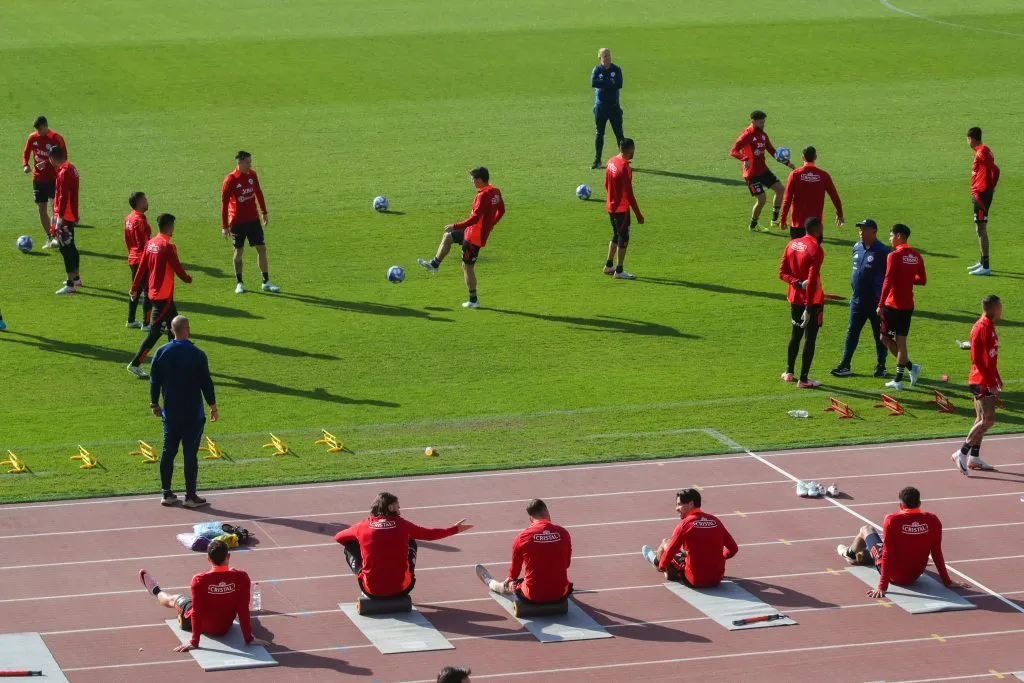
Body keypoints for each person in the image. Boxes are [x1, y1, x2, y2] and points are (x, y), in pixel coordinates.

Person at [334, 492, 474, 598]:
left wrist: (364, 543)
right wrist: (454, 529)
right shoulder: (403, 525)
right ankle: (406, 573)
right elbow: (429, 534)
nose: (400, 510)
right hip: (402, 589)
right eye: (397, 506)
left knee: (350, 545)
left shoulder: (362, 526)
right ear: (390, 507)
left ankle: (361, 574)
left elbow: (339, 537)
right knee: (411, 540)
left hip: (371, 591)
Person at [139, 540, 268, 652]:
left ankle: (155, 590)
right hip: (225, 626)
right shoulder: (242, 577)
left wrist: (194, 642)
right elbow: (243, 609)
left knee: (173, 599)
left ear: (208, 559)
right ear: (228, 557)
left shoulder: (199, 580)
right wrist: (249, 639)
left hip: (204, 625)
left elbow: (196, 611)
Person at [836, 486, 956, 598]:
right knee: (891, 543)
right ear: (919, 503)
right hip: (914, 575)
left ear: (901, 505)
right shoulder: (933, 520)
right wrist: (947, 581)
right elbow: (936, 553)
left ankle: (850, 554)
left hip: (893, 576)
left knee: (866, 529)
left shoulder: (892, 520)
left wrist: (882, 586)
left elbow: (887, 554)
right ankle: (866, 555)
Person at [148, 316, 216, 508]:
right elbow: (206, 383)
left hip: (170, 414)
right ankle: (190, 496)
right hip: (193, 414)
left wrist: (154, 404)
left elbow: (154, 381)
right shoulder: (197, 354)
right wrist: (213, 406)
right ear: (188, 329)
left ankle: (166, 493)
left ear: (171, 329)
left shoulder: (161, 352)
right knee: (190, 455)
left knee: (168, 452)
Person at [417, 167, 505, 308]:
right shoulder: (495, 191)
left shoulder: (482, 196)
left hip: (474, 236)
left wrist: (456, 225)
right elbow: (501, 210)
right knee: (448, 237)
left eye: (473, 179)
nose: (471, 181)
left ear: (480, 179)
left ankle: (473, 300)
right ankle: (434, 265)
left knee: (467, 267)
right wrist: (490, 224)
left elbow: (475, 218)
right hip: (472, 231)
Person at [128, 214, 193, 379]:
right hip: (163, 297)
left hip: (155, 294)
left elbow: (142, 267)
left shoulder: (150, 244)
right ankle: (135, 364)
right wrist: (187, 279)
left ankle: (176, 362)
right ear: (170, 226)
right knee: (155, 333)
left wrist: (135, 287)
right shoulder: (168, 247)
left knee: (174, 328)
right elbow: (177, 268)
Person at [476, 499, 572, 604]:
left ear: (531, 518)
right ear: (547, 511)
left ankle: (494, 584)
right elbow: (567, 564)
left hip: (533, 595)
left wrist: (511, 579)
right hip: (561, 593)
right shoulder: (564, 533)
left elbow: (514, 572)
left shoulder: (522, 537)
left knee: (512, 583)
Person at [641, 488, 738, 587]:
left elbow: (671, 551)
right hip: (717, 579)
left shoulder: (685, 525)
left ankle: (655, 562)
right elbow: (734, 549)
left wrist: (661, 567)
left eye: (679, 504)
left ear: (691, 504)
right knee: (689, 551)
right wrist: (721, 557)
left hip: (694, 580)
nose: (677, 508)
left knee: (666, 543)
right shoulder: (716, 521)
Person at [831, 219, 890, 378]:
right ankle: (845, 365)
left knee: (879, 335)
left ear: (874, 231)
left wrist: (884, 301)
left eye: (864, 229)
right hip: (857, 301)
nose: (861, 232)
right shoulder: (856, 247)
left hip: (876, 302)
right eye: (860, 230)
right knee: (852, 333)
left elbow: (889, 277)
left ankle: (881, 366)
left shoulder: (883, 251)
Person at [952, 295, 1002, 474]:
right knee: (988, 419)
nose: (1002, 309)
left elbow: (990, 357)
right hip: (980, 381)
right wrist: (990, 383)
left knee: (981, 419)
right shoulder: (981, 328)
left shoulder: (989, 326)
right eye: (1000, 306)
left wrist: (997, 378)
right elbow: (977, 360)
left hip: (985, 379)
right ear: (994, 307)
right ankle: (962, 452)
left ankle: (974, 456)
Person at [221, 151, 279, 294]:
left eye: (250, 161)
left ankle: (266, 281)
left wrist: (264, 212)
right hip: (237, 222)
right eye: (247, 162)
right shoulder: (230, 179)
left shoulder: (252, 175)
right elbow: (224, 204)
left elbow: (258, 192)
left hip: (253, 219)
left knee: (262, 248)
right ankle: (239, 282)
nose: (250, 164)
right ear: (239, 162)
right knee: (239, 251)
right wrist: (225, 226)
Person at [877, 223, 925, 390]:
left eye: (891, 235)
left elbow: (888, 281)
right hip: (907, 305)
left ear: (898, 236)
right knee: (901, 342)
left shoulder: (894, 256)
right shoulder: (916, 255)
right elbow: (922, 280)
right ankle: (911, 368)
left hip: (892, 304)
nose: (890, 239)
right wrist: (907, 279)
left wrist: (881, 304)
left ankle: (899, 379)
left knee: (884, 337)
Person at [778, 217, 825, 388]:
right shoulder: (816, 250)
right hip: (812, 301)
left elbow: (782, 273)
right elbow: (812, 281)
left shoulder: (792, 244)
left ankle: (789, 372)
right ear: (818, 229)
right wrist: (810, 306)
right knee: (810, 338)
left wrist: (797, 283)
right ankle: (804, 379)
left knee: (795, 334)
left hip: (794, 298)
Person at [730, 110, 794, 232]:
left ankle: (774, 219)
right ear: (753, 122)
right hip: (751, 174)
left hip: (763, 170)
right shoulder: (746, 135)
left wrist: (788, 163)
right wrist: (744, 158)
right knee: (762, 199)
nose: (763, 124)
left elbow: (772, 151)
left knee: (781, 189)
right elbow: (733, 151)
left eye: (764, 122)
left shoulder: (763, 135)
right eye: (760, 122)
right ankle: (753, 225)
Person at [779, 146, 844, 241]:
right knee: (814, 253)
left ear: (802, 157)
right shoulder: (823, 175)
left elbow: (787, 199)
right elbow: (835, 197)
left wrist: (783, 219)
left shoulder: (795, 175)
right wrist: (840, 214)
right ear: (815, 157)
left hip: (798, 224)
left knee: (798, 252)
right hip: (816, 226)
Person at [21, 115, 67, 249]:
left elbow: (63, 158)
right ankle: (50, 237)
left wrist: (46, 164)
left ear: (46, 126)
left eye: (40, 130)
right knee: (41, 210)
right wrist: (26, 165)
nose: (38, 133)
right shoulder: (32, 137)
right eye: (36, 130)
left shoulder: (56, 138)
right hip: (38, 179)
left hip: (54, 179)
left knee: (55, 209)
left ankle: (59, 236)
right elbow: (26, 152)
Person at [603, 138, 644, 279]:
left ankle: (609, 265)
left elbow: (605, 184)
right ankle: (619, 271)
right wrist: (638, 214)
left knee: (616, 234)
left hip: (610, 206)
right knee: (623, 238)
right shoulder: (625, 168)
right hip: (621, 209)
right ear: (630, 150)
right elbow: (630, 194)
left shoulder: (611, 161)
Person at [966, 127, 999, 276]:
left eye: (967, 139)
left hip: (981, 195)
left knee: (981, 229)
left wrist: (990, 188)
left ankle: (985, 266)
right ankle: (981, 262)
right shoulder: (983, 150)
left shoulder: (982, 152)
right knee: (979, 228)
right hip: (981, 194)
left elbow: (995, 170)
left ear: (971, 138)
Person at [49, 147, 81, 295]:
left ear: (54, 158)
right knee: (72, 247)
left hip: (65, 217)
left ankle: (70, 284)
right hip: (70, 215)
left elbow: (63, 198)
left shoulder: (63, 173)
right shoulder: (72, 168)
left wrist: (58, 221)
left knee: (65, 249)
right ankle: (76, 278)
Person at [590, 48, 624, 170]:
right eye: (604, 56)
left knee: (619, 134)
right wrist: (609, 82)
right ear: (600, 58)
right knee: (599, 133)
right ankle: (597, 160)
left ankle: (623, 160)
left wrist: (603, 82)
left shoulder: (616, 69)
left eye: (608, 55)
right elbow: (594, 83)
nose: (607, 58)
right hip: (600, 108)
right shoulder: (597, 70)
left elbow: (619, 84)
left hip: (614, 107)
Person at [124, 192, 153, 329]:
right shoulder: (140, 221)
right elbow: (145, 244)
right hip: (142, 260)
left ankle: (131, 320)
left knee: (136, 289)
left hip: (133, 258)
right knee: (148, 291)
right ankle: (146, 323)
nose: (147, 202)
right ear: (139, 203)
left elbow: (127, 240)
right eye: (144, 200)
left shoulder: (129, 218)